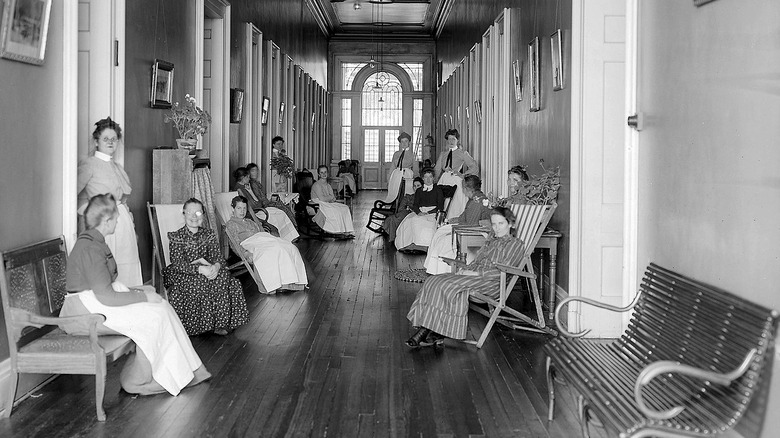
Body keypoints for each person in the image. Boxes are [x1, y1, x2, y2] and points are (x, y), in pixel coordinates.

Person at [61, 194, 211, 396]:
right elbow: (105, 296)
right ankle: (139, 381)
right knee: (154, 317)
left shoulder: (96, 241)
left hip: (95, 301)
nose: (117, 221)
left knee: (162, 307)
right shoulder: (89, 247)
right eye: (115, 217)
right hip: (84, 311)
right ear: (106, 221)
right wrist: (143, 297)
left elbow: (105, 287)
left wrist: (139, 290)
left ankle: (191, 371)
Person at [405, 206, 525, 347]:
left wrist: (474, 273)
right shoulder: (492, 241)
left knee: (448, 286)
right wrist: (466, 269)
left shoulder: (516, 245)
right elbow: (477, 262)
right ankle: (432, 332)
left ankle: (425, 332)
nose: (497, 228)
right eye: (494, 224)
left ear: (511, 224)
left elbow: (503, 271)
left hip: (492, 283)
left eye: (501, 224)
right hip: (475, 278)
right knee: (433, 280)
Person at [163, 198, 249, 336]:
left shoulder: (208, 234)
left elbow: (218, 257)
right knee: (200, 281)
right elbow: (178, 263)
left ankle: (220, 324)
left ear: (203, 215)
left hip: (208, 268)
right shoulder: (176, 236)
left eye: (198, 213)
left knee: (225, 278)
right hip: (184, 272)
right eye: (189, 212)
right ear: (183, 214)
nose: (193, 216)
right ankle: (197, 327)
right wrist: (200, 269)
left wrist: (215, 266)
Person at [77, 117, 143, 287]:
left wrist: (131, 226)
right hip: (105, 223)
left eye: (114, 139)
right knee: (108, 268)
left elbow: (124, 201)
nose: (110, 142)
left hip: (123, 224)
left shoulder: (117, 167)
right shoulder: (89, 164)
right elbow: (73, 195)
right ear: (96, 141)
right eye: (106, 139)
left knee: (126, 266)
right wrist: (91, 215)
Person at [225, 195, 308, 293]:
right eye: (239, 208)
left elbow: (262, 233)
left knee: (290, 247)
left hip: (263, 239)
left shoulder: (250, 221)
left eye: (244, 208)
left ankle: (293, 281)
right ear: (233, 209)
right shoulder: (231, 224)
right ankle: (277, 283)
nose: (242, 211)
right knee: (274, 249)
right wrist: (245, 254)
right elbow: (235, 243)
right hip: (250, 243)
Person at [424, 175, 493, 274]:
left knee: (443, 240)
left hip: (473, 231)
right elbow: (465, 216)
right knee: (440, 231)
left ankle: (441, 270)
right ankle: (431, 267)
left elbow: (471, 224)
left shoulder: (476, 201)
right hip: (467, 225)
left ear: (466, 188)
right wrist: (453, 220)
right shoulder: (475, 197)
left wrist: (454, 227)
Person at [234, 167, 300, 242]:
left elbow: (258, 203)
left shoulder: (246, 187)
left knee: (281, 212)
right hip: (253, 214)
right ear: (243, 177)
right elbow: (251, 206)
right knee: (277, 215)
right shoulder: (239, 190)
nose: (249, 179)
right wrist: (256, 202)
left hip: (258, 210)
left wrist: (250, 191)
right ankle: (284, 238)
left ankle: (289, 237)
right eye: (248, 177)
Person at [394, 168, 445, 251]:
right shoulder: (419, 191)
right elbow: (415, 205)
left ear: (433, 178)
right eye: (426, 177)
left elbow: (440, 206)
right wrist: (418, 212)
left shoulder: (438, 190)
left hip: (433, 212)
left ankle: (424, 245)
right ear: (423, 178)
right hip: (420, 211)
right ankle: (408, 243)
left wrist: (428, 212)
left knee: (422, 222)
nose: (428, 179)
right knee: (410, 220)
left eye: (430, 177)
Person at [433, 129, 479, 220]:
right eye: (449, 139)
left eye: (453, 139)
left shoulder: (462, 153)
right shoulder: (443, 154)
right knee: (443, 203)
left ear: (457, 140)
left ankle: (453, 222)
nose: (451, 141)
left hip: (456, 181)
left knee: (455, 204)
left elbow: (474, 167)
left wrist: (463, 174)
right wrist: (432, 183)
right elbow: (437, 170)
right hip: (444, 180)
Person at [245, 162, 298, 227]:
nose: (255, 172)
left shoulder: (256, 183)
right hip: (263, 205)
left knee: (284, 206)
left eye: (256, 170)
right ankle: (294, 226)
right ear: (248, 172)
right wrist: (268, 203)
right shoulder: (252, 184)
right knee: (283, 207)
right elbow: (259, 199)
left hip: (265, 203)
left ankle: (293, 226)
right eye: (253, 171)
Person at [310, 165, 355, 236]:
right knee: (335, 210)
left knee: (345, 207)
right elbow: (322, 199)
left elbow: (333, 198)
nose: (324, 174)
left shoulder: (328, 185)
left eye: (325, 172)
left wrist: (330, 197)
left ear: (327, 173)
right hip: (318, 204)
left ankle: (347, 230)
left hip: (327, 203)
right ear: (318, 174)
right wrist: (330, 197)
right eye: (321, 172)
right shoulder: (317, 185)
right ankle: (338, 231)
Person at [383, 177, 424, 242]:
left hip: (416, 215)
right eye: (414, 186)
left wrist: (410, 208)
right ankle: (394, 237)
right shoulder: (408, 197)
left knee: (394, 218)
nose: (416, 188)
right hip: (404, 213)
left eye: (418, 186)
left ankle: (394, 237)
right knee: (395, 218)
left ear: (422, 186)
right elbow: (400, 208)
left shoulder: (425, 198)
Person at [384, 132, 420, 203]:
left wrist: (416, 180)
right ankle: (395, 207)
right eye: (402, 141)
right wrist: (389, 179)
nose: (404, 143)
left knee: (406, 192)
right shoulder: (396, 154)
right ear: (400, 143)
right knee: (395, 192)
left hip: (407, 176)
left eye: (406, 141)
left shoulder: (413, 155)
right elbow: (392, 167)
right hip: (396, 175)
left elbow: (416, 169)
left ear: (409, 142)